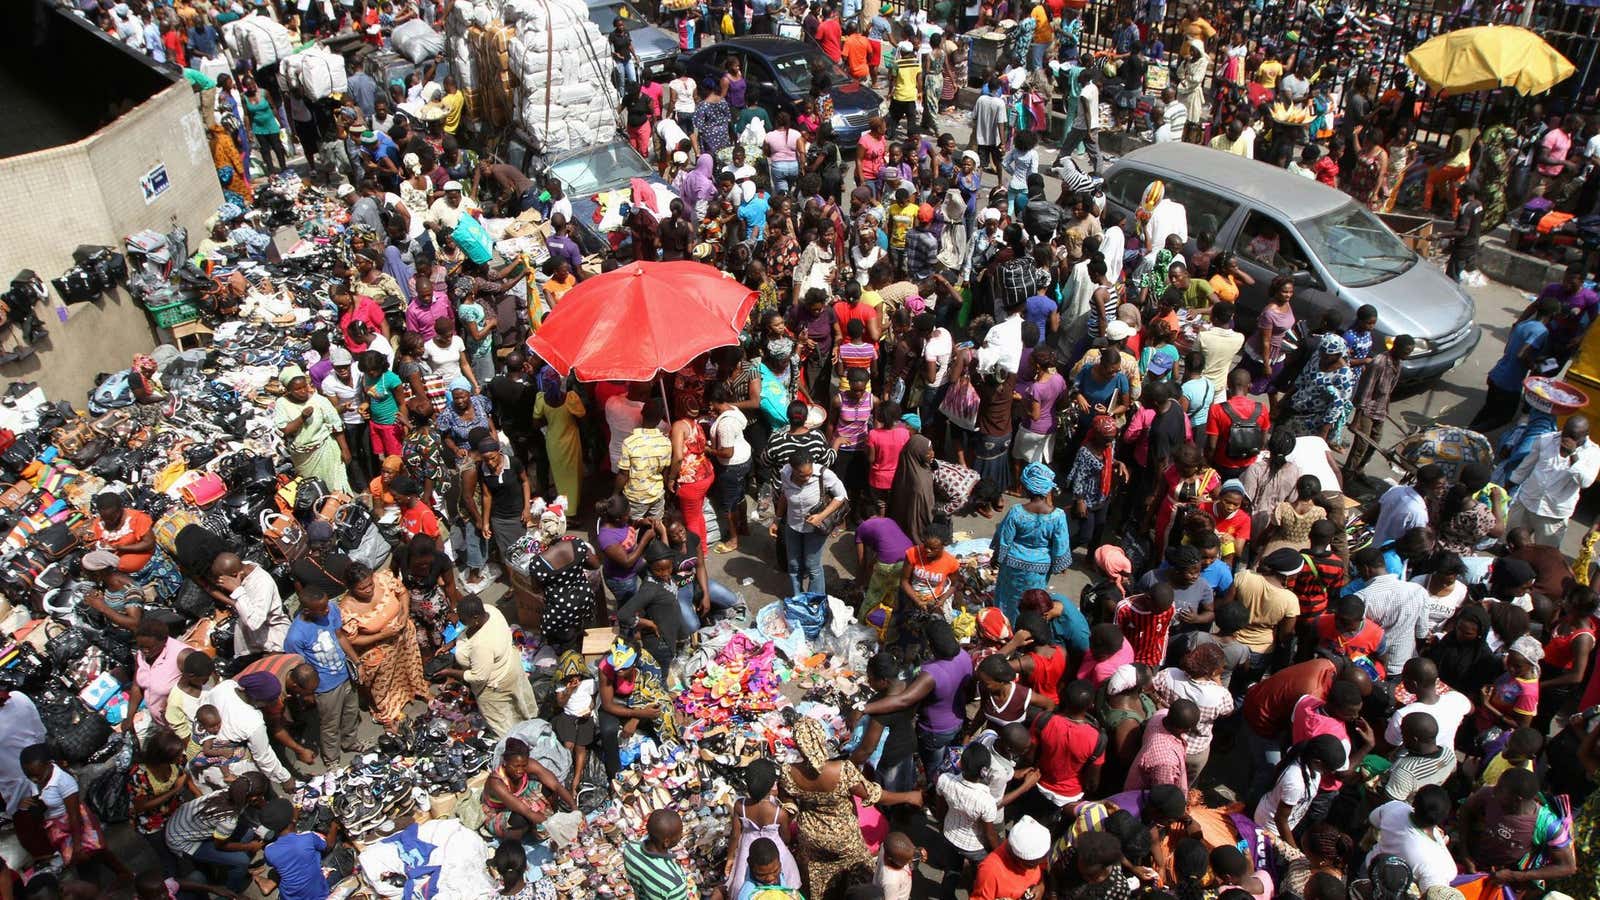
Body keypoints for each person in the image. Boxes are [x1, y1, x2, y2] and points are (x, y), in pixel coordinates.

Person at [780, 718, 922, 900]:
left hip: (811, 837)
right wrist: (908, 796)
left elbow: (787, 802)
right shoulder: (841, 770)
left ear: (799, 745)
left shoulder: (788, 772)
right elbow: (874, 795)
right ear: (822, 738)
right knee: (858, 872)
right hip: (844, 838)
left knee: (817, 875)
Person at [434, 595, 540, 738]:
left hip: (495, 685)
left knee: (502, 721)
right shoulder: (491, 611)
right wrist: (451, 644)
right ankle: (533, 726)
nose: (460, 621)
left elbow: (479, 677)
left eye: (463, 618)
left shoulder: (481, 646)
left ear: (475, 617)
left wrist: (449, 672)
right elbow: (467, 632)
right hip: (512, 666)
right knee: (521, 703)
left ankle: (516, 742)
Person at [339, 563, 428, 729]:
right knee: (382, 685)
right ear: (351, 589)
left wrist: (404, 612)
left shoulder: (384, 579)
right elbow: (352, 639)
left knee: (411, 666)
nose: (368, 590)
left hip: (403, 636)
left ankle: (417, 690)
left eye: (370, 585)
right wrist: (381, 635)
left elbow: (402, 594)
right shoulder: (346, 609)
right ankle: (388, 714)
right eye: (362, 588)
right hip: (377, 648)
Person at [991, 462, 1072, 621]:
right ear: (1047, 488)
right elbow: (1060, 546)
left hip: (1012, 565)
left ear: (1027, 487)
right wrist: (1060, 566)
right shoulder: (1058, 516)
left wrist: (997, 558)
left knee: (1008, 598)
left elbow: (1004, 539)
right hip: (1039, 569)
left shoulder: (1016, 512)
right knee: (1032, 600)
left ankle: (1003, 626)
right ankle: (1028, 627)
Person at [1471, 296, 1559, 433]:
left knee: (1488, 410)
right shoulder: (1541, 331)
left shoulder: (1523, 324)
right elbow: (1522, 354)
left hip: (1497, 374)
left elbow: (1509, 350)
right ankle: (1473, 433)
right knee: (1505, 417)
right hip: (1510, 383)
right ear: (1553, 315)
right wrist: (1534, 366)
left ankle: (1466, 432)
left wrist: (1535, 359)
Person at [1508, 414, 1600, 542]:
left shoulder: (1593, 453)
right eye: (1565, 434)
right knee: (1512, 545)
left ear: (1585, 435)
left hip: (1553, 514)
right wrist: (1508, 487)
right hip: (1527, 503)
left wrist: (1572, 454)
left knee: (1544, 554)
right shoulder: (1546, 439)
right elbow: (1525, 467)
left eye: (1573, 437)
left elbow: (1585, 482)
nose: (1567, 439)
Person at [772, 450, 848, 597]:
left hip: (815, 529)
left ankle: (816, 600)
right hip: (792, 525)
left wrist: (821, 516)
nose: (807, 477)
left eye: (809, 473)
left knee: (812, 566)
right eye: (802, 475)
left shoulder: (824, 474)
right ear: (793, 470)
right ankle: (798, 597)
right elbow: (784, 496)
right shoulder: (785, 473)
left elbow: (841, 496)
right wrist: (777, 520)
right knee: (793, 565)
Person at [274, 367, 353, 495]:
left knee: (335, 486)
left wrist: (345, 450)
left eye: (304, 386)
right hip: (302, 456)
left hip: (325, 450)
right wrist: (302, 418)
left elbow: (336, 425)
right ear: (288, 390)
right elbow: (285, 429)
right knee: (312, 488)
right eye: (297, 389)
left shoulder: (319, 401)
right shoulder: (282, 404)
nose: (303, 391)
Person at [726, 760, 801, 892]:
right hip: (774, 852)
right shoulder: (779, 813)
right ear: (772, 785)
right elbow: (786, 839)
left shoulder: (740, 806)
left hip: (748, 851)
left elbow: (735, 836)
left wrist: (731, 857)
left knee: (745, 885)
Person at [483, 737, 577, 841]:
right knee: (521, 818)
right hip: (500, 811)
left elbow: (556, 785)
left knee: (549, 789)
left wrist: (574, 808)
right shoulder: (496, 782)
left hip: (523, 799)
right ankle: (513, 843)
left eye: (524, 765)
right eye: (516, 766)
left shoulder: (528, 764)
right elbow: (526, 812)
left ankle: (550, 817)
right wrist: (554, 825)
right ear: (505, 762)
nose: (520, 770)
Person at [210, 551, 289, 659]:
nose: (223, 587)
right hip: (252, 644)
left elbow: (254, 623)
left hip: (272, 645)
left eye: (223, 582)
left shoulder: (262, 584)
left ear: (234, 575)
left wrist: (237, 590)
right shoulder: (243, 568)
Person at [260, 798, 339, 900]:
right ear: (293, 820)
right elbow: (329, 845)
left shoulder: (269, 850)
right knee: (340, 852)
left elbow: (274, 864)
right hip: (318, 895)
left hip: (288, 897)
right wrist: (334, 826)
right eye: (294, 809)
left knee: (285, 866)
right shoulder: (308, 837)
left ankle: (271, 884)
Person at [969, 816, 1050, 900]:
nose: (1037, 865)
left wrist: (1041, 886)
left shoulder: (1038, 852)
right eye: (1030, 865)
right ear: (1016, 857)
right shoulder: (990, 871)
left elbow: (1042, 868)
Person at [624, 810, 693, 900]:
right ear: (666, 842)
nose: (681, 836)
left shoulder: (630, 848)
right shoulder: (674, 883)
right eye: (679, 834)